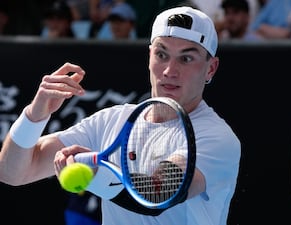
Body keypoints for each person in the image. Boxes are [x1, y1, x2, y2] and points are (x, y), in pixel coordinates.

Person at [0, 6, 241, 225]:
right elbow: (12, 172)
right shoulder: (109, 121)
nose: (169, 70)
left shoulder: (217, 137)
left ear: (211, 68)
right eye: (162, 54)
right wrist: (34, 116)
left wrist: (97, 171)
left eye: (186, 58)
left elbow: (158, 193)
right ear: (149, 56)